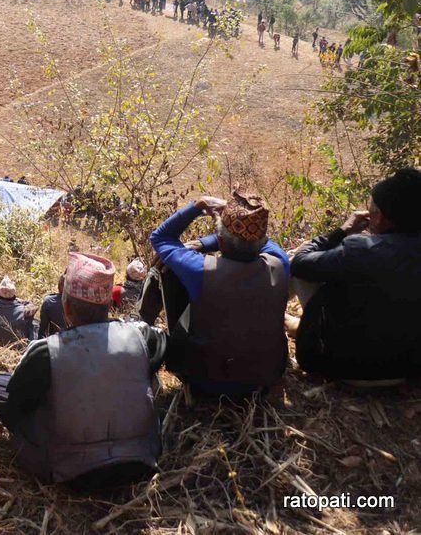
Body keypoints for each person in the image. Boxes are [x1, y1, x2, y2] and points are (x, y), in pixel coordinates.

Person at [0, 253, 166, 488]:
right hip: (141, 462)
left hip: (70, 473)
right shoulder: (143, 337)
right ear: (110, 304)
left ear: (67, 307)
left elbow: (16, 404)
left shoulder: (45, 351)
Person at [143, 191, 290, 396]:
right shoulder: (280, 263)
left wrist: (197, 206)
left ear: (221, 241)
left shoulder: (200, 270)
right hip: (263, 378)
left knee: (165, 269)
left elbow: (161, 237)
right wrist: (204, 242)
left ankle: (139, 324)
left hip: (205, 382)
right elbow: (264, 241)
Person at [287, 168, 421, 382]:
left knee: (301, 257)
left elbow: (301, 264)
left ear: (380, 218)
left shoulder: (361, 250)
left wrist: (341, 231)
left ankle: (263, 313)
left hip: (340, 367)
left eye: (373, 209)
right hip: (408, 370)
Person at [0, 276, 36, 345]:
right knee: (35, 323)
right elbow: (32, 306)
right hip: (18, 348)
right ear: (14, 295)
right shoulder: (25, 311)